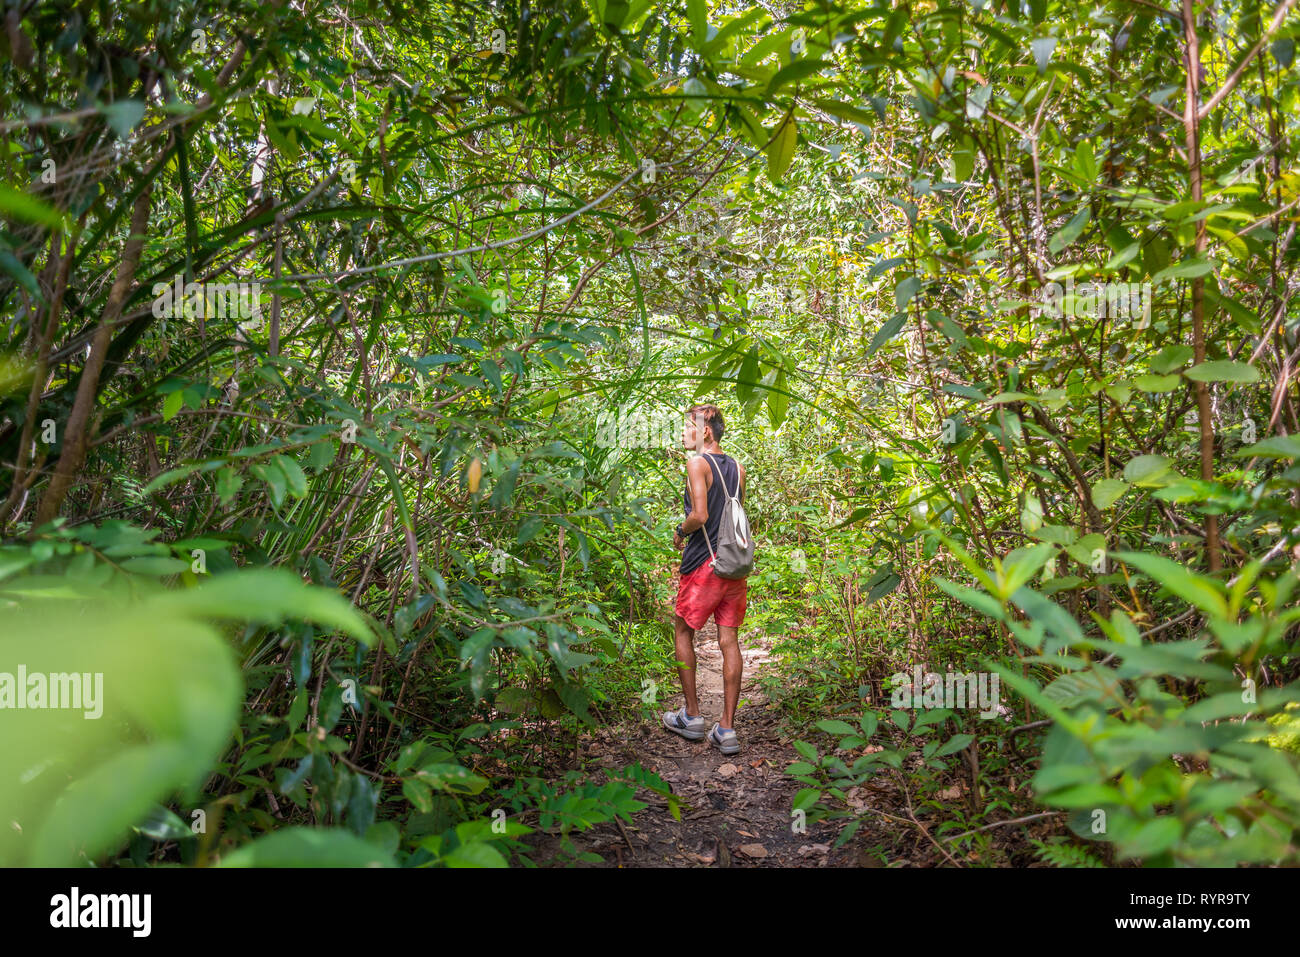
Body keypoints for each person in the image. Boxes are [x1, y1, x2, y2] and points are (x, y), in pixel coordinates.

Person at [663, 403, 747, 755]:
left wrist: (680, 532)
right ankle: (726, 729)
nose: (683, 434)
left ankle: (693, 717)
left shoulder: (697, 463)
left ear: (706, 431)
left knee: (683, 632)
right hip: (734, 566)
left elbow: (700, 514)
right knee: (729, 640)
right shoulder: (739, 467)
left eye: (688, 427)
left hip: (703, 565)